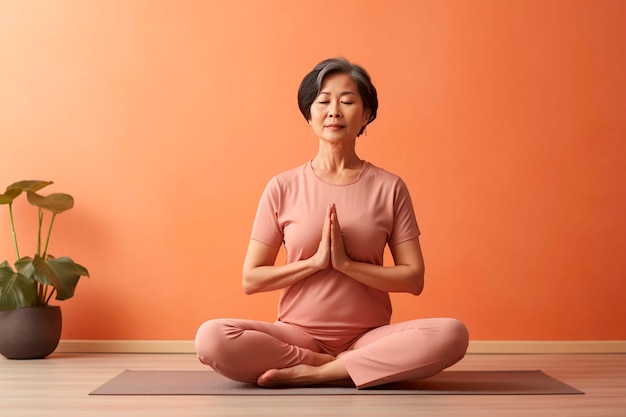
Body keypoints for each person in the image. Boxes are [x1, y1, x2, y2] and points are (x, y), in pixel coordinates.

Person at [195, 57, 469, 389]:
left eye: (348, 101)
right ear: (309, 116)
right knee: (211, 337)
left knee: (452, 334)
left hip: (371, 337)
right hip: (296, 337)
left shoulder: (390, 187)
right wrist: (315, 263)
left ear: (366, 115)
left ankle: (318, 373)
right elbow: (252, 279)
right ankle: (328, 364)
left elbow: (413, 279)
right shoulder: (282, 186)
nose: (334, 110)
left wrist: (345, 264)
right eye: (323, 101)